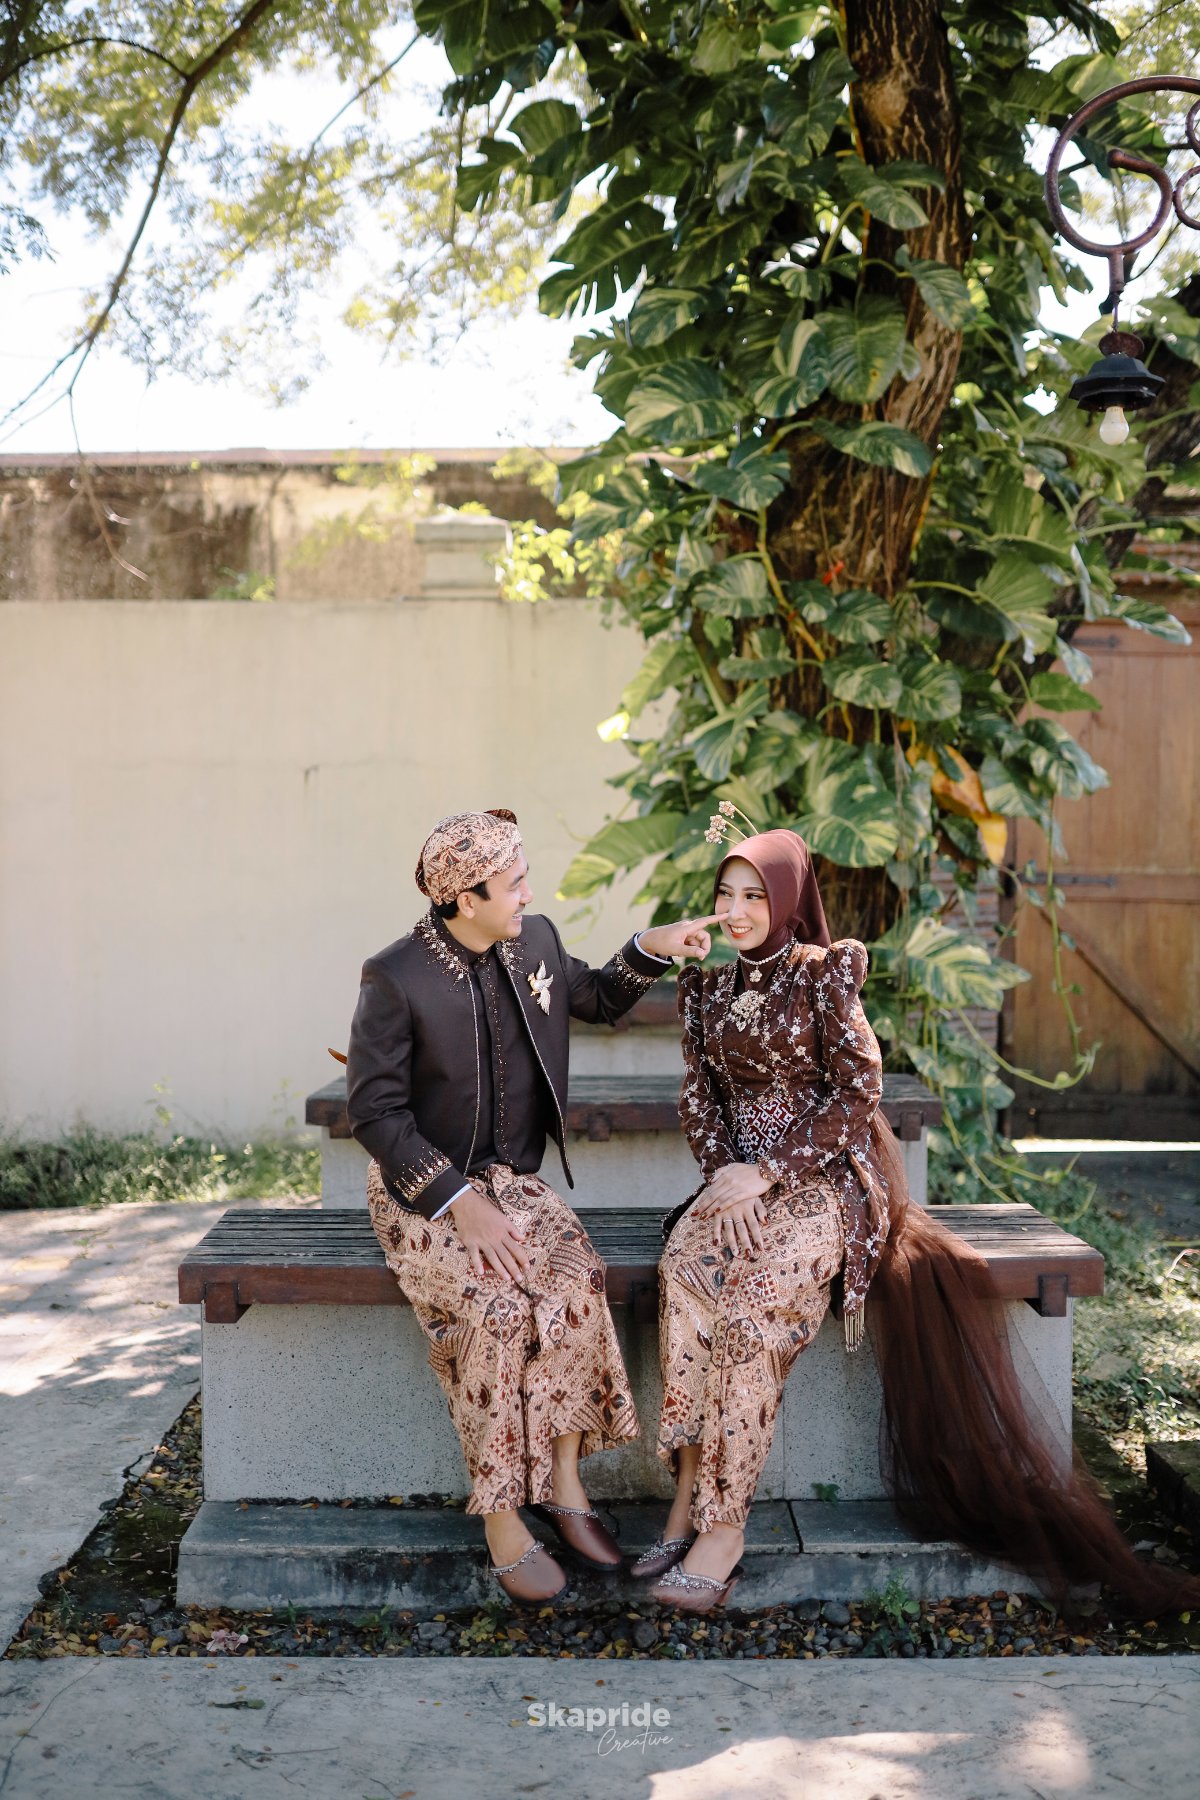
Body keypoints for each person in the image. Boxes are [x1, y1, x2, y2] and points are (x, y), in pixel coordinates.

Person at [634, 826, 1200, 1619]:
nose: (736, 911)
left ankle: (723, 1530)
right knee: (687, 1277)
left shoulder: (822, 975)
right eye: (726, 895)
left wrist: (768, 1172)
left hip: (824, 1179)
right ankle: (685, 1502)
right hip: (737, 1185)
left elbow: (858, 1091)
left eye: (754, 895)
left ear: (787, 901)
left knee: (752, 1308)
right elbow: (699, 1097)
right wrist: (728, 1180)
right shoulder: (706, 989)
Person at [345, 806, 718, 1604]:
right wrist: (457, 1202)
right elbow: (374, 1113)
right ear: (466, 898)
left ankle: (562, 1482)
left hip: (515, 1184)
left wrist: (655, 944)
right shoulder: (395, 977)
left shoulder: (533, 941)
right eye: (514, 883)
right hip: (424, 1192)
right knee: (498, 1310)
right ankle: (502, 1517)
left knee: (577, 1282)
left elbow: (599, 997)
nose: (528, 894)